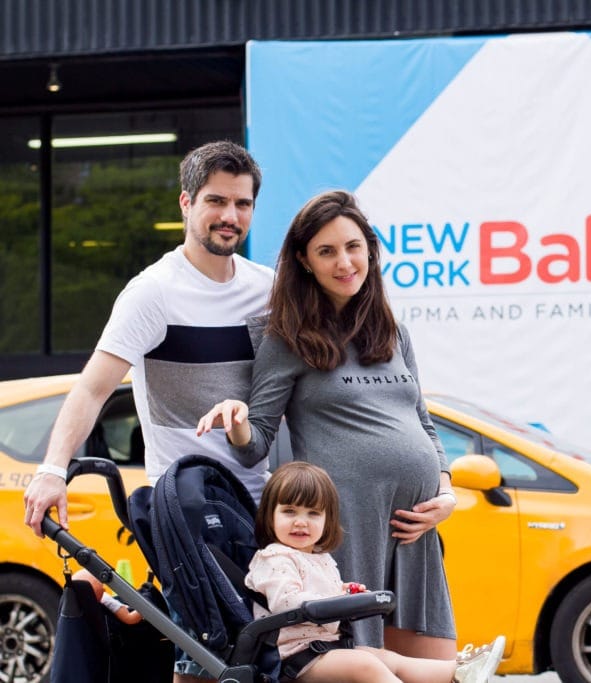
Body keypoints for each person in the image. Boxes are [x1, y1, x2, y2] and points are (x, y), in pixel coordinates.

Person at [24, 140, 274, 683]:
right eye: (216, 201)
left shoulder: (267, 291)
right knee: (201, 658)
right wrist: (51, 470)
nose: (230, 216)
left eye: (242, 204)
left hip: (268, 507)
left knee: (280, 657)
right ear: (186, 203)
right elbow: (91, 390)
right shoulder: (154, 293)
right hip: (187, 517)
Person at [195, 189, 459, 659]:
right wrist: (236, 421)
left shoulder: (394, 332)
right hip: (347, 528)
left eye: (353, 247)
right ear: (305, 260)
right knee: (361, 662)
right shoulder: (287, 338)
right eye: (327, 251)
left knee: (429, 665)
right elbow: (255, 444)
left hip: (413, 531)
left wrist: (445, 493)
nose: (344, 262)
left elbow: (423, 423)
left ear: (370, 251)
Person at [246, 462, 504, 683]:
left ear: (327, 521)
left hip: (325, 648)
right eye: (289, 511)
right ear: (270, 516)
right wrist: (335, 604)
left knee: (383, 656)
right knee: (365, 665)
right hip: (293, 656)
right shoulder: (274, 557)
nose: (300, 521)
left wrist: (347, 594)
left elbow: (325, 592)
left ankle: (457, 672)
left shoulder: (319, 558)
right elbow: (286, 602)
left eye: (313, 513)